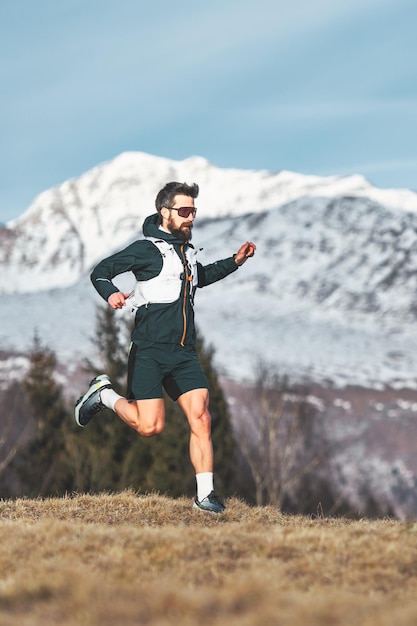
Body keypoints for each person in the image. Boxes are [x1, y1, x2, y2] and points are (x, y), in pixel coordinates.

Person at [75, 181, 256, 513]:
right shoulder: (147, 250)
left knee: (201, 417)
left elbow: (201, 276)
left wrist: (235, 261)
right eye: (184, 212)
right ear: (165, 213)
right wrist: (111, 293)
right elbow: (101, 272)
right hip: (150, 350)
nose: (190, 218)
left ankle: (205, 496)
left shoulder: (187, 253)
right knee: (150, 426)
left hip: (184, 352)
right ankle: (103, 396)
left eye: (193, 212)